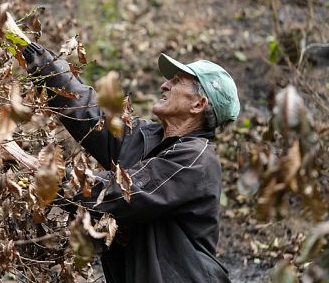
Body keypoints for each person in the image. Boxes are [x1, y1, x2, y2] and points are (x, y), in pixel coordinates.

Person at [21, 42, 239, 283]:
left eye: (177, 82)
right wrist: (40, 61)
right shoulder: (148, 137)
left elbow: (122, 192)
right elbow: (90, 114)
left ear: (198, 105)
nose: (164, 84)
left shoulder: (197, 160)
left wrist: (42, 172)